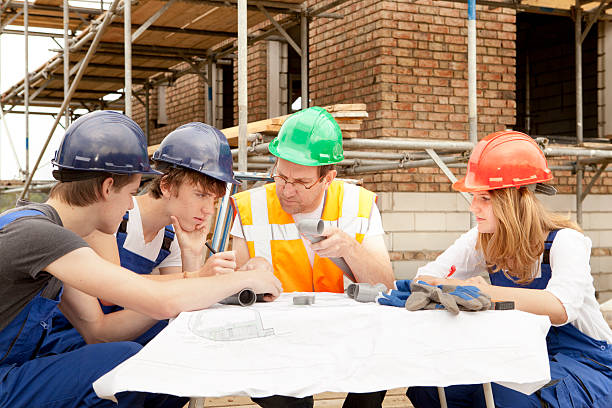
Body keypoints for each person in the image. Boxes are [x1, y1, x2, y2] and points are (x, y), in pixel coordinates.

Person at [0, 111, 282, 408]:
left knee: (144, 354)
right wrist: (243, 278)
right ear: (107, 188)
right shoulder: (41, 235)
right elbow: (156, 301)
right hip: (8, 378)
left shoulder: (48, 233)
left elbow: (95, 329)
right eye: (132, 193)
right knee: (123, 359)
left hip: (15, 369)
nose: (129, 206)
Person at [405, 130, 612, 408]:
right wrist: (460, 290)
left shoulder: (565, 242)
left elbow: (560, 307)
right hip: (523, 353)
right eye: (474, 198)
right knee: (429, 388)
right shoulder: (482, 240)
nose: (474, 208)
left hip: (586, 361)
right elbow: (424, 278)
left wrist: (486, 292)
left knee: (501, 399)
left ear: (517, 199)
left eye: (485, 199)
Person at [230, 106, 395, 408]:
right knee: (290, 401)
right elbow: (232, 291)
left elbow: (386, 285)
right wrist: (249, 274)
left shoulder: (358, 205)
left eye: (301, 182)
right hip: (276, 340)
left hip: (344, 334)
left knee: (386, 352)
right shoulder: (250, 207)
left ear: (328, 178)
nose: (287, 191)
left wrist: (350, 249)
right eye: (281, 176)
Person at [80, 122, 252, 345]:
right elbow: (111, 290)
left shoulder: (171, 238)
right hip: (79, 343)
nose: (209, 210)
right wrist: (198, 277)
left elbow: (187, 302)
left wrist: (192, 254)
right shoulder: (110, 215)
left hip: (127, 339)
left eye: (214, 200)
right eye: (200, 195)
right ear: (167, 186)